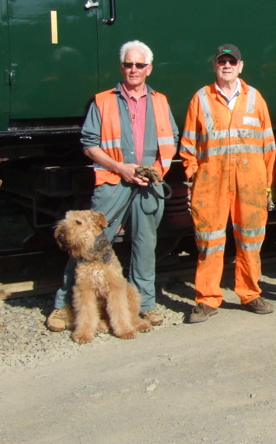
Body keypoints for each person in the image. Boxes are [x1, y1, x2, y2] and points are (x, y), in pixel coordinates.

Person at [46, 40, 178, 331]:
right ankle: (62, 306)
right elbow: (88, 144)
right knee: (87, 244)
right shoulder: (103, 100)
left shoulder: (160, 101)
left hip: (149, 183)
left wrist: (155, 172)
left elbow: (171, 141)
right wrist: (120, 168)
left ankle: (144, 305)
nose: (134, 70)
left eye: (140, 65)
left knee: (146, 244)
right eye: (129, 64)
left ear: (149, 69)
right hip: (112, 180)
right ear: (122, 67)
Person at [180, 44, 276, 323]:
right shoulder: (201, 98)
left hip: (251, 182)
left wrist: (267, 183)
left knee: (251, 239)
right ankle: (207, 299)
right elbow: (187, 144)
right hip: (212, 183)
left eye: (231, 62)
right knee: (209, 241)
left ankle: (250, 294)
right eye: (222, 61)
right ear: (214, 66)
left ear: (240, 66)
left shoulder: (255, 98)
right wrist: (194, 176)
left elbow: (269, 145)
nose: (227, 66)